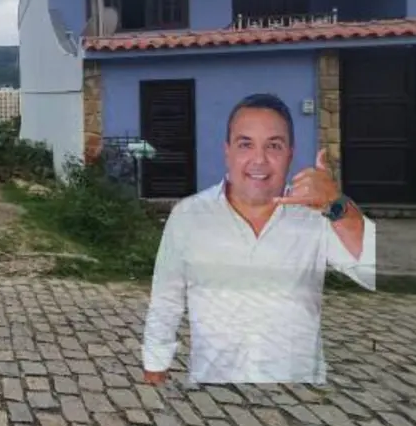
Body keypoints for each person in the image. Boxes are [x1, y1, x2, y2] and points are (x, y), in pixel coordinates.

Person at [141, 93, 376, 386]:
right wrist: (155, 366)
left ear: (290, 153)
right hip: (214, 389)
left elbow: (370, 269)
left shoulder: (317, 217)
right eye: (245, 144)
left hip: (296, 388)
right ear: (227, 151)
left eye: (274, 146)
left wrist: (337, 205)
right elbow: (166, 298)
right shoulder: (188, 216)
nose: (259, 160)